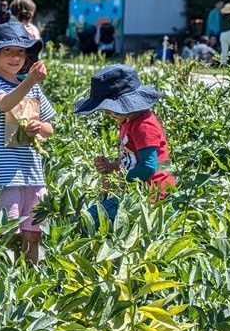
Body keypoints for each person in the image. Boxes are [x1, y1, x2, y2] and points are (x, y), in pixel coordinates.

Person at [0, 23, 55, 264]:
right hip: (5, 173)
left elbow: (50, 127)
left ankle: (31, 274)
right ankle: (6, 275)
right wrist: (29, 82)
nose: (15, 57)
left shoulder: (35, 89)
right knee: (8, 231)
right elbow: (5, 104)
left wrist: (40, 128)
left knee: (34, 231)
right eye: (7, 51)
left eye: (20, 52)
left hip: (33, 173)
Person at [73, 65, 176, 225]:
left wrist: (118, 179)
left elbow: (148, 167)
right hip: (134, 191)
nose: (107, 114)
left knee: (91, 220)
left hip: (151, 194)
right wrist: (111, 167)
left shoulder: (144, 126)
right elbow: (133, 162)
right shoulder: (128, 121)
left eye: (110, 109)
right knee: (96, 219)